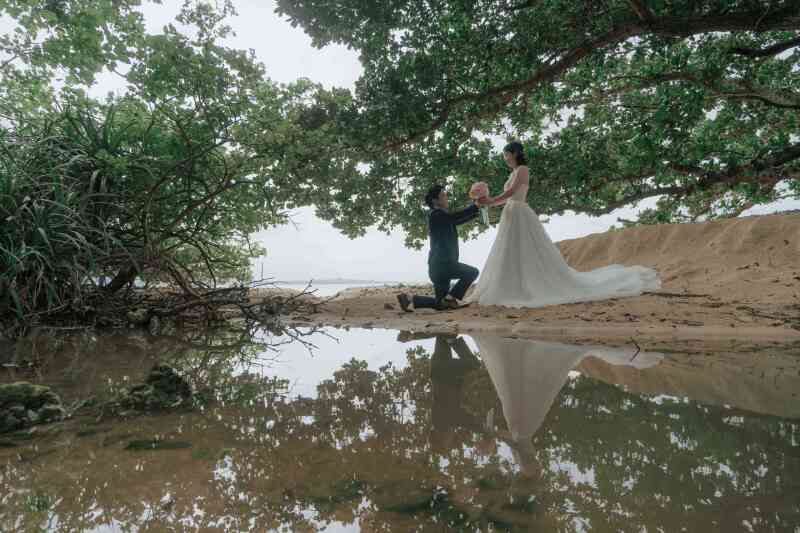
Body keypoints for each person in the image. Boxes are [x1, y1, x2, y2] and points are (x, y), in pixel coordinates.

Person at [468, 141, 660, 308]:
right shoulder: (513, 172)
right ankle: (511, 285)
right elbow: (506, 198)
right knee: (510, 250)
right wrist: (489, 202)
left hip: (519, 211)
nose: (505, 158)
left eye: (507, 155)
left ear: (515, 153)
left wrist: (491, 201)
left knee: (525, 248)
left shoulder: (523, 170)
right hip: (510, 212)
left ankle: (527, 286)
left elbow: (513, 193)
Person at [397, 184, 480, 311]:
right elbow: (454, 218)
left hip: (437, 268)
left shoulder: (442, 217)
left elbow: (456, 220)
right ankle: (451, 299)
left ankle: (409, 299)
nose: (446, 198)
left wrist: (475, 212)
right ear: (435, 201)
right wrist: (475, 206)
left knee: (440, 303)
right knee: (473, 272)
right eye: (443, 196)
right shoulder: (437, 215)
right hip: (443, 265)